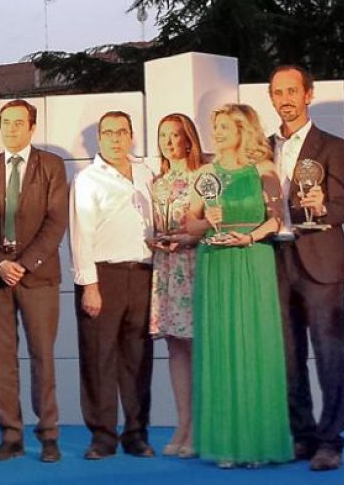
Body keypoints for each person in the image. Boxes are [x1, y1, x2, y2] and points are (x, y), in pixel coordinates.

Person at [184, 104, 291, 468]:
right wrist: (205, 221)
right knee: (221, 347)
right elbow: (190, 223)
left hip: (252, 260)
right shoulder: (205, 172)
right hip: (215, 264)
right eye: (216, 126)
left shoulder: (264, 169)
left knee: (254, 345)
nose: (219, 132)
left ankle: (257, 443)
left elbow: (277, 220)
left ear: (245, 128)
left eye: (226, 125)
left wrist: (249, 238)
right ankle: (225, 442)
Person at [0, 99, 69, 464]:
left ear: (31, 127)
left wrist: (23, 264)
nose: (10, 129)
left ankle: (49, 436)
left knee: (42, 357)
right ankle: (11, 437)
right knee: (2, 360)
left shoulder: (52, 166)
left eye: (17, 123)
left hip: (38, 277)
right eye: (5, 123)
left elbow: (56, 222)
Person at [265, 65, 344, 471]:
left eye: (291, 91)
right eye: (277, 92)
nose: (285, 99)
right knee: (287, 357)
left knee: (328, 355)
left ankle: (331, 441)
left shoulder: (332, 146)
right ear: (270, 98)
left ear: (308, 95)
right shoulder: (261, 149)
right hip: (273, 260)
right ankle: (301, 436)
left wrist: (322, 205)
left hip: (320, 262)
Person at [69, 111, 156, 460]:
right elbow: (80, 236)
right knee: (98, 358)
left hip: (144, 274)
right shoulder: (87, 179)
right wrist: (89, 284)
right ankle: (102, 436)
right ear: (99, 140)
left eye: (122, 132)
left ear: (132, 136)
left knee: (138, 360)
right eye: (109, 133)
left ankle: (136, 434)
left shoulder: (148, 174)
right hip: (103, 277)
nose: (116, 138)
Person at [147, 112, 205, 459]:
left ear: (189, 139)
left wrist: (187, 236)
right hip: (166, 268)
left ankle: (199, 425)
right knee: (175, 348)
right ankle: (183, 423)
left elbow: (210, 224)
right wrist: (156, 240)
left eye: (175, 135)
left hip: (194, 266)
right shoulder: (157, 181)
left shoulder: (203, 176)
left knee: (196, 346)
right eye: (163, 135)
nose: (169, 142)